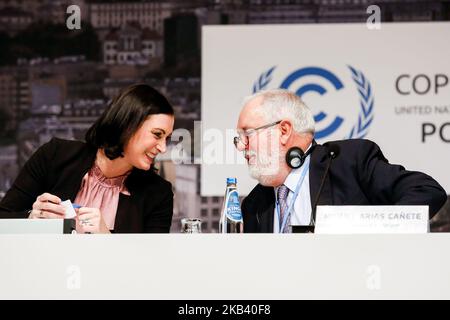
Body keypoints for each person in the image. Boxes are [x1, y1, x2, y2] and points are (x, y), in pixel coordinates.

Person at [234, 89, 447, 233]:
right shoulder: (254, 205)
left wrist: (368, 234)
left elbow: (427, 191)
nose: (242, 146)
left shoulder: (348, 162)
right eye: (238, 139)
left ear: (283, 131)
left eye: (247, 134)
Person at [0, 84, 174, 233]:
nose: (163, 147)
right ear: (128, 125)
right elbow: (3, 217)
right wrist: (31, 218)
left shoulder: (159, 194)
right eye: (157, 135)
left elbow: (151, 264)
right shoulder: (54, 155)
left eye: (166, 138)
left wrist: (107, 239)